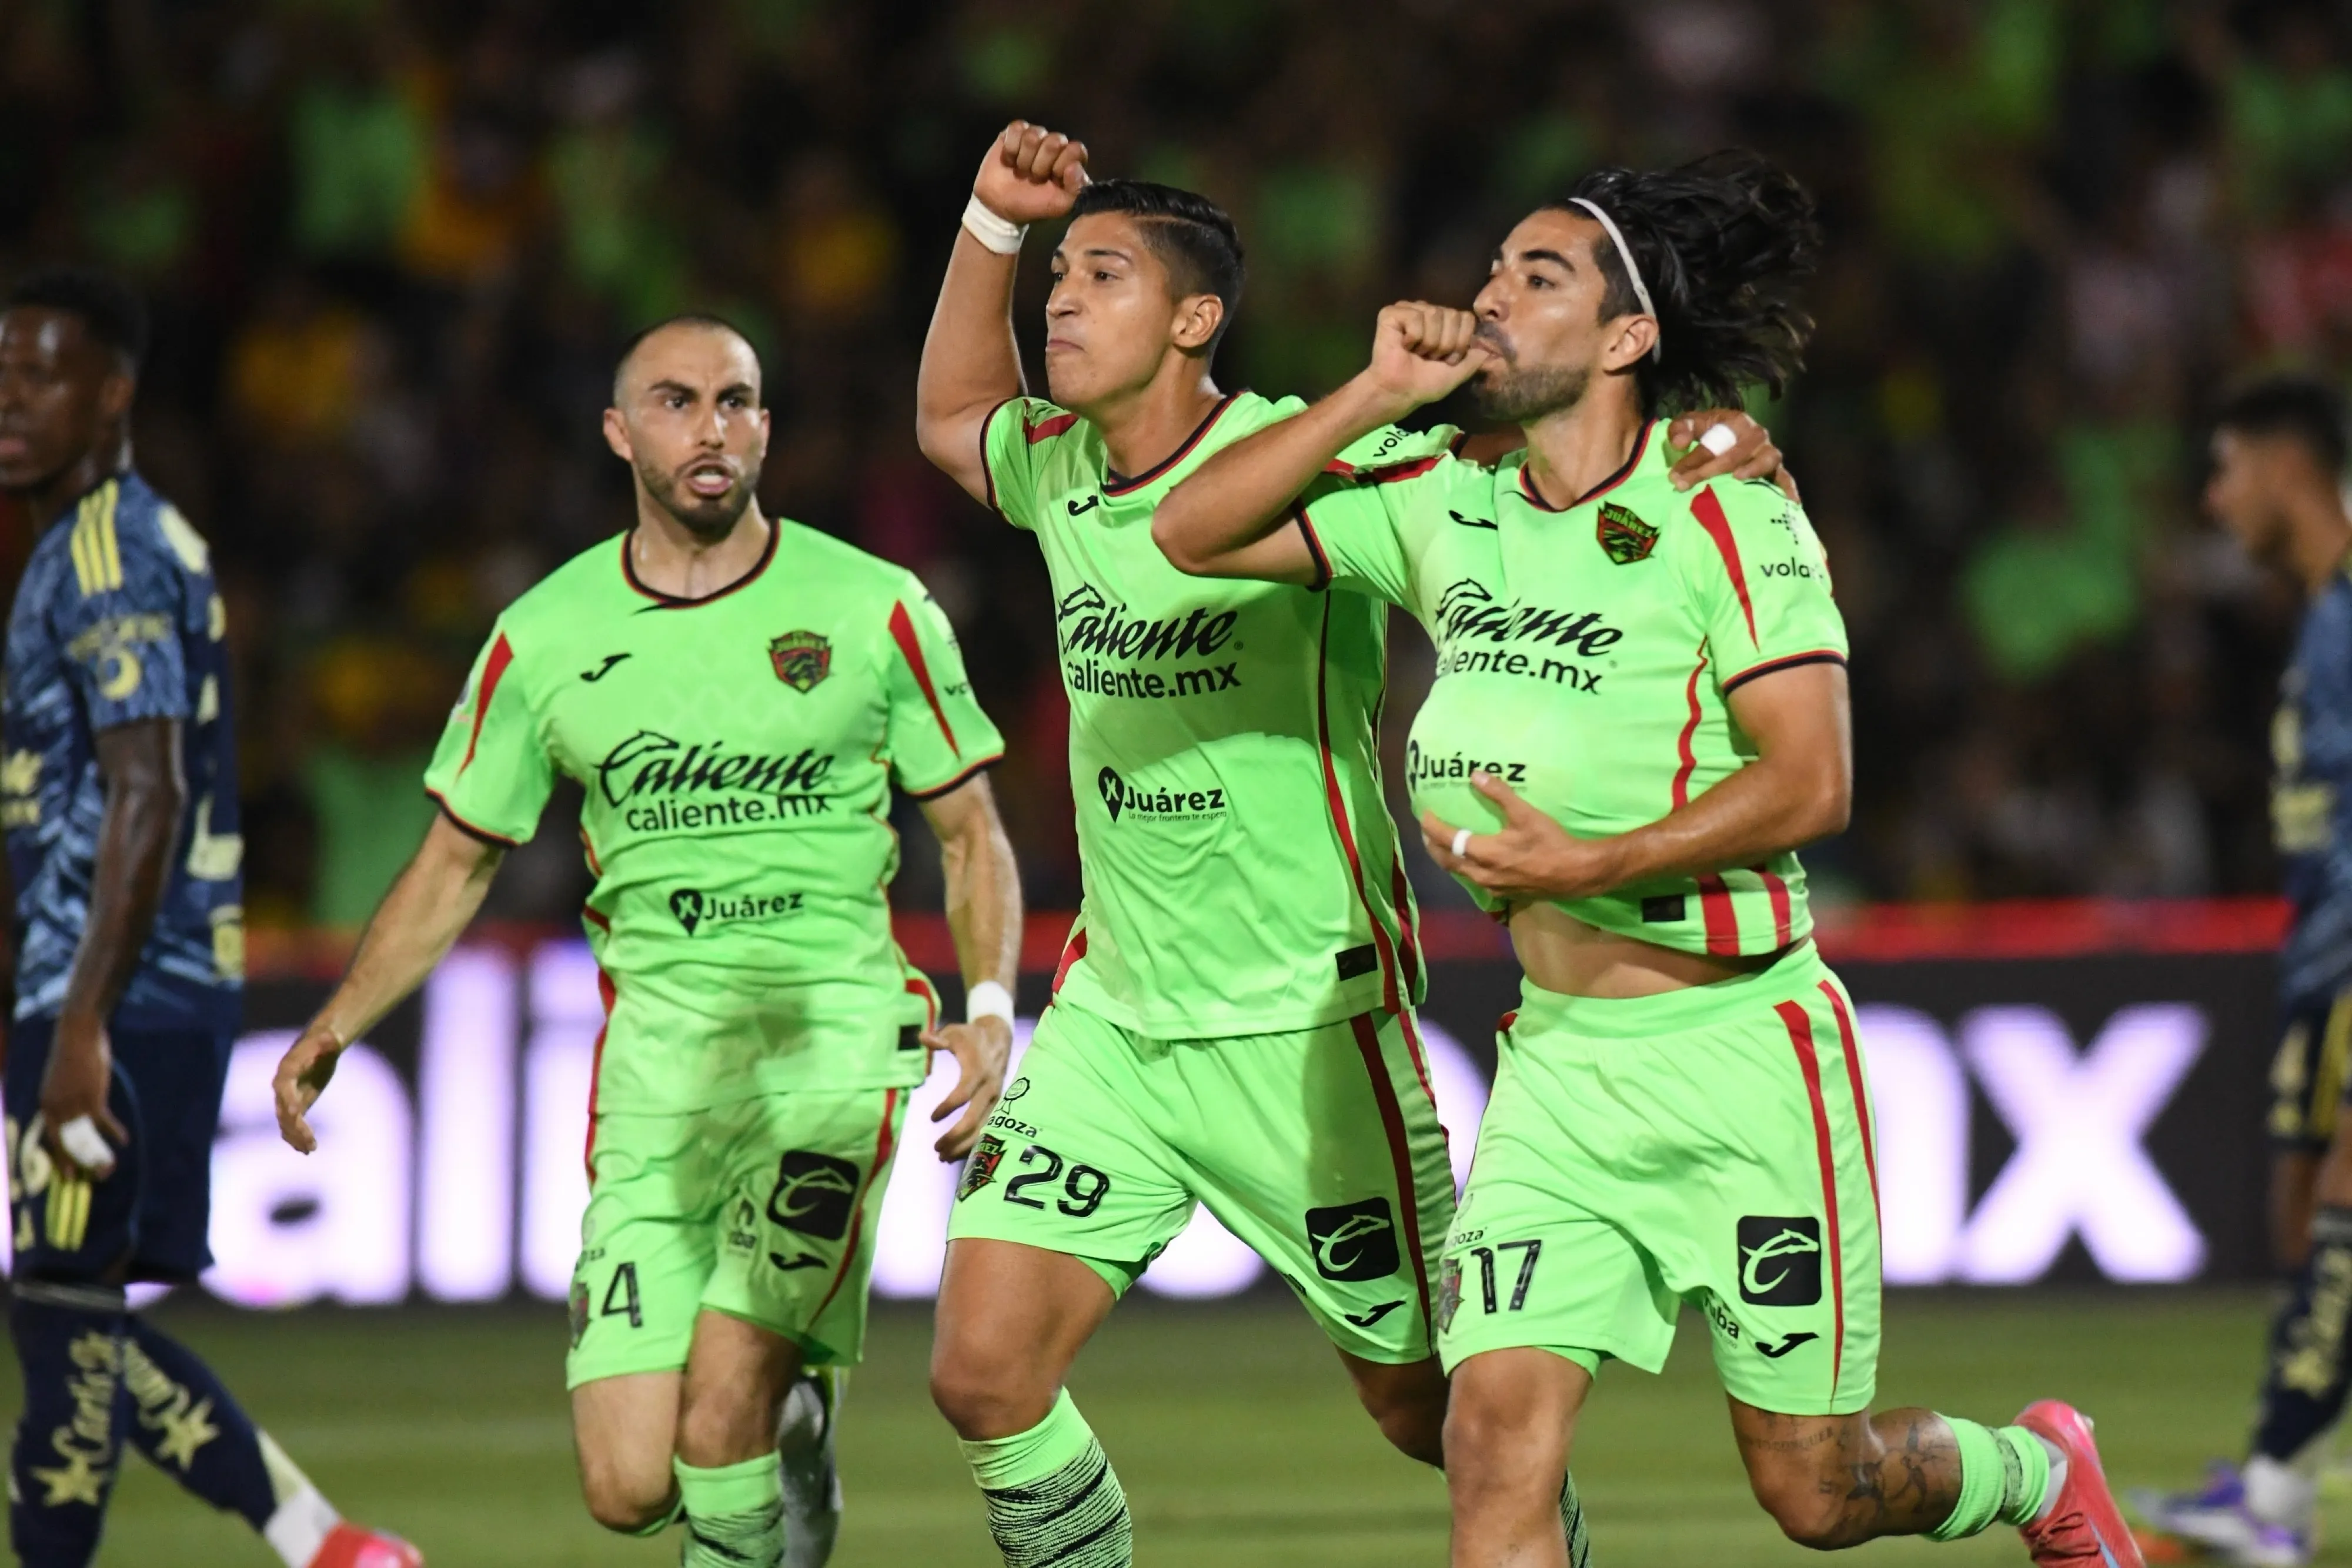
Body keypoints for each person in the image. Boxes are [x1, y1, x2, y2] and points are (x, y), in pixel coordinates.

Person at [1152, 152, 2147, 1568]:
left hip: (1738, 1049)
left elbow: (1813, 777)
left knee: (1815, 1491)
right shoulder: (1445, 496)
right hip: (1559, 1066)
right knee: (1490, 1435)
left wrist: (1590, 859)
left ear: (1626, 338)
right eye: (1491, 266)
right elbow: (1188, 530)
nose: (1489, 294)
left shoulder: (1725, 510)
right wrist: (1373, 391)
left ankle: (2037, 1472)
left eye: (1537, 276)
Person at [912, 121, 1780, 1568]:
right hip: (1118, 1018)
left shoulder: (1319, 455)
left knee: (1431, 1410)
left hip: (1305, 1024)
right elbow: (949, 418)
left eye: (1099, 274)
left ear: (1192, 319)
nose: (1058, 301)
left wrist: (1704, 445)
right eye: (1057, 277)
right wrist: (990, 225)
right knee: (981, 1373)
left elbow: (1536, 478)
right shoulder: (1058, 466)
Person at [271, 315, 1022, 1568]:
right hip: (655, 1085)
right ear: (621, 433)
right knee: (627, 1482)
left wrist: (990, 1000)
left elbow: (969, 830)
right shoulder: (546, 635)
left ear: (766, 427)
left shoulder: (873, 607)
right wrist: (334, 1023)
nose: (711, 427)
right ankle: (796, 1429)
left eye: (736, 401)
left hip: (830, 1057)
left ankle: (763, 1419)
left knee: (718, 1401)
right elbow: (457, 858)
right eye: (676, 403)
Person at [0, 267, 419, 1567]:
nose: (11, 397)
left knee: (62, 1312)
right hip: (135, 988)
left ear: (112, 393)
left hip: (118, 995)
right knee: (72, 1309)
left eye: (43, 372)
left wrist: (80, 1023)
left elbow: (149, 784)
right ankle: (323, 1544)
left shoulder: (110, 553)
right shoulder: (92, 546)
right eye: (1, 372)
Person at [2137, 377, 2352, 1568]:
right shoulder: (2320, 614)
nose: (2214, 499)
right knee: (2306, 1215)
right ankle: (2273, 1485)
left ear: (2282, 466)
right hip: (2319, 950)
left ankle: (2270, 1496)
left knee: (2334, 1203)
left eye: (2223, 470)